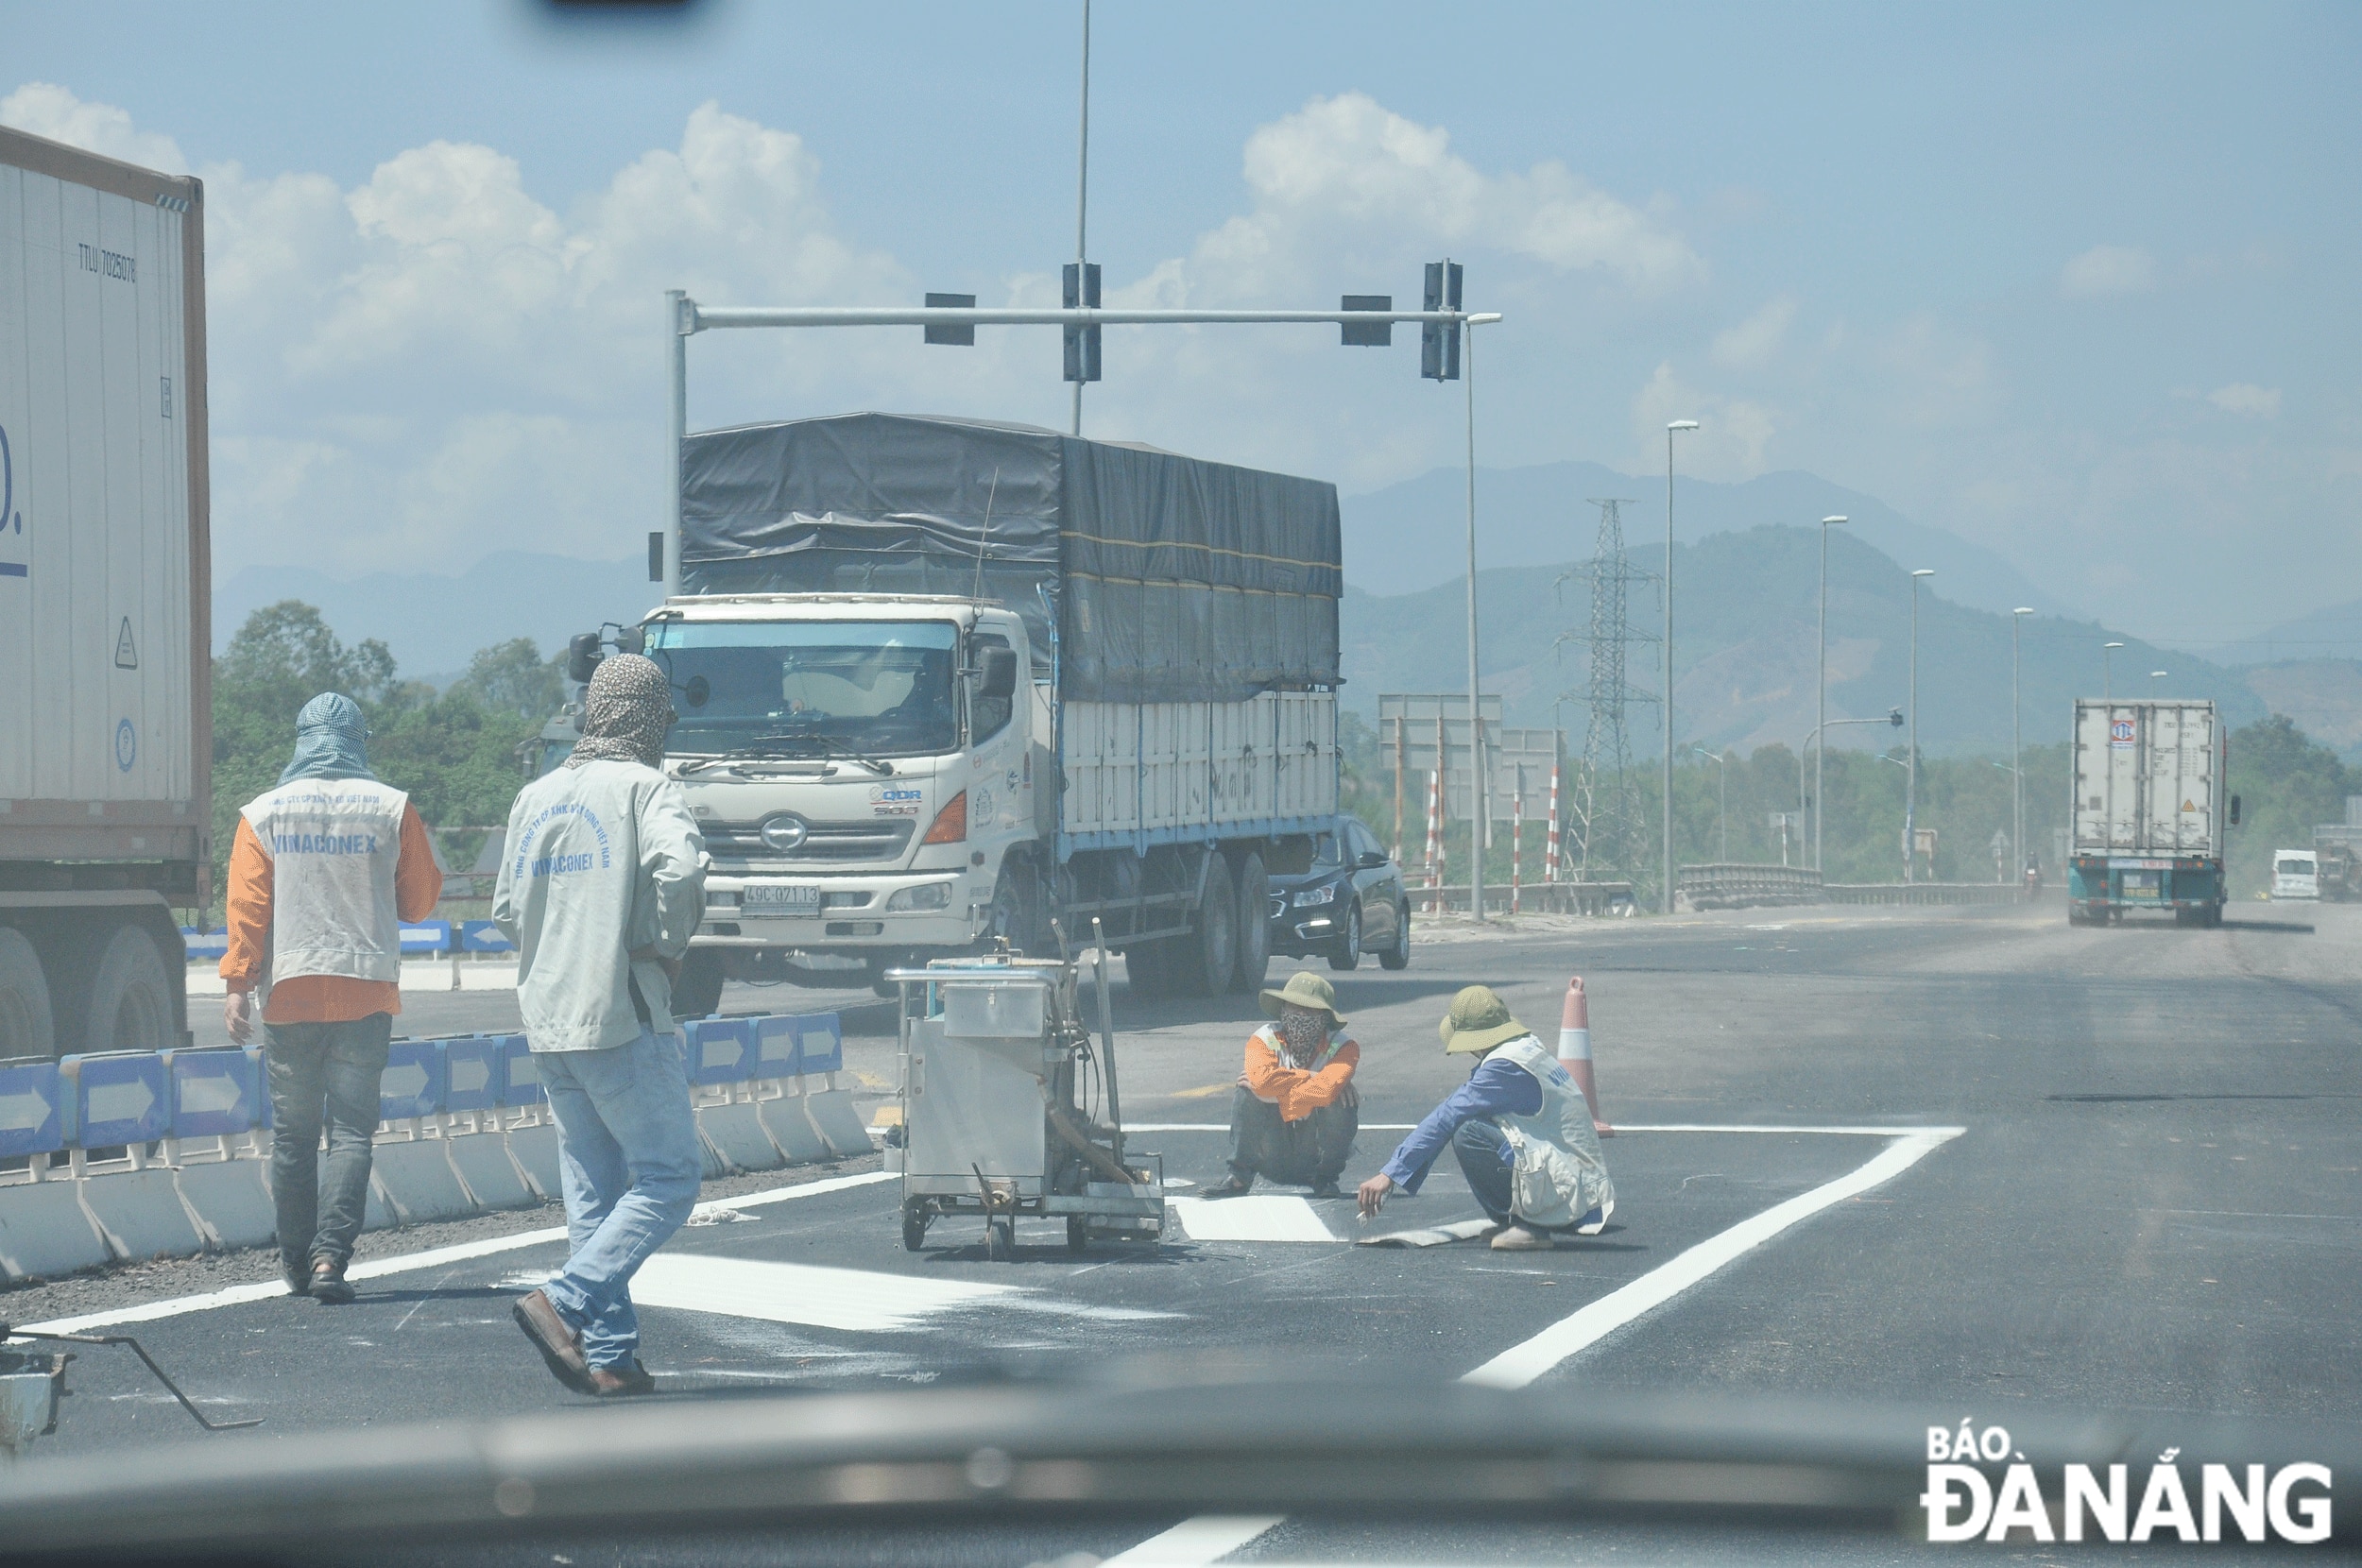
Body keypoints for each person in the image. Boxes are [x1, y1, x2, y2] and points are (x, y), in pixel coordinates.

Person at [495, 654, 706, 1398]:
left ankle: (611, 1356)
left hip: (549, 1018)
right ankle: (565, 1301)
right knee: (671, 1177)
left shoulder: (537, 796)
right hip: (621, 1012)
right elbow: (680, 872)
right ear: (650, 721)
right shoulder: (648, 788)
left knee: (594, 1193)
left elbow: (502, 912)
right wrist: (664, 944)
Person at [221, 693, 442, 1304]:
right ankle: (328, 1261)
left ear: (301, 739)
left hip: (290, 994)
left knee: (294, 1137)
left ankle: (294, 1264)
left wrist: (239, 985)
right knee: (350, 1133)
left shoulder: (263, 814)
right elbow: (419, 902)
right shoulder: (391, 807)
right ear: (357, 739)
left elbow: (248, 911)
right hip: (365, 992)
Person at [1357, 985, 1614, 1251]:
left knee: (1469, 1133)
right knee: (1477, 1125)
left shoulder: (1503, 1067)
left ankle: (1533, 1226)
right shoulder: (1525, 1048)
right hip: (1584, 1190)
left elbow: (1447, 1116)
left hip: (1571, 1193)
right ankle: (1517, 1220)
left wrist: (1389, 1174)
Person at [1211, 971, 1360, 1200]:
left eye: (1309, 1010)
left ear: (1324, 1017)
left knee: (1341, 1099)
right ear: (1282, 1009)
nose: (1300, 1015)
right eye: (1293, 1008)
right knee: (1247, 1090)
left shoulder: (1343, 1046)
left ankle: (1326, 1178)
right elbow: (1260, 1082)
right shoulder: (1264, 1038)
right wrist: (1312, 1077)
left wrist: (1275, 1093)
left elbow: (1327, 1090)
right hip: (1271, 1153)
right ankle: (1239, 1176)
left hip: (1314, 1155)